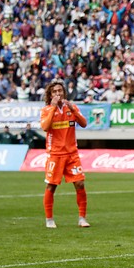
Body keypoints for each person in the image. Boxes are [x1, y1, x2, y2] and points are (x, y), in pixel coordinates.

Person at [39, 80, 90, 229]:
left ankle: (82, 218)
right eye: (54, 92)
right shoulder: (47, 110)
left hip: (72, 154)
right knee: (51, 186)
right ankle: (49, 219)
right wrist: (54, 108)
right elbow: (45, 127)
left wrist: (72, 110)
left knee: (80, 183)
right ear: (50, 95)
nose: (58, 94)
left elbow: (84, 123)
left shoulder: (72, 108)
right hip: (55, 154)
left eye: (60, 91)